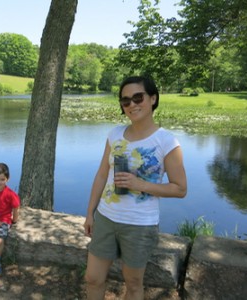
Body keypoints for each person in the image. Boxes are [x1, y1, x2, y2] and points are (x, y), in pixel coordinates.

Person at [83, 76, 187, 300]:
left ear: (153, 98)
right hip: (105, 218)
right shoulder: (114, 134)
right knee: (93, 277)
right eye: (125, 101)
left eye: (138, 98)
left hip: (139, 225)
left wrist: (140, 184)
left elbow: (180, 189)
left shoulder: (166, 141)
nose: (132, 105)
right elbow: (102, 174)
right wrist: (90, 213)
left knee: (132, 284)